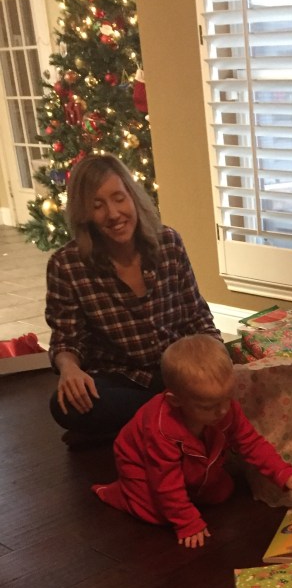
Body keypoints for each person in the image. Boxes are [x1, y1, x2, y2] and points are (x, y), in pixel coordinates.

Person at [46, 153, 221, 446]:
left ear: (133, 197)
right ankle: (179, 418)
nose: (113, 214)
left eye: (119, 198)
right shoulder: (66, 265)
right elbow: (66, 339)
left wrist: (216, 359)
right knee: (64, 405)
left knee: (227, 381)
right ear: (84, 214)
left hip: (177, 370)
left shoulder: (169, 242)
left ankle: (139, 428)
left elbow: (196, 316)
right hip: (120, 378)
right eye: (97, 206)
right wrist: (69, 369)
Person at [92, 334, 292, 548]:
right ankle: (118, 493)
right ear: (175, 401)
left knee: (222, 492)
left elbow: (250, 442)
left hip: (193, 458)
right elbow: (165, 479)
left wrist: (283, 472)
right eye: (208, 406)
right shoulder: (160, 428)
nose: (222, 411)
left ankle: (185, 496)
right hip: (142, 464)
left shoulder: (223, 410)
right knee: (156, 513)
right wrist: (187, 522)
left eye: (227, 399)